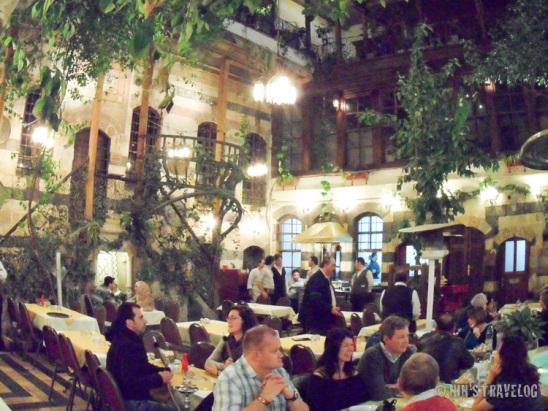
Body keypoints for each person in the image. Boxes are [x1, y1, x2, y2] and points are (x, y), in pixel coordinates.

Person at [212, 324, 309, 411]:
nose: (281, 355)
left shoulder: (279, 371)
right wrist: (265, 398)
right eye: (275, 351)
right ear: (257, 355)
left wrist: (291, 397)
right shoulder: (230, 379)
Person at [106, 302, 175, 411]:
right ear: (130, 323)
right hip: (129, 403)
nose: (145, 321)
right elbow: (132, 383)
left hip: (116, 400)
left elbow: (141, 366)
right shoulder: (130, 346)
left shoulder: (120, 338)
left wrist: (162, 370)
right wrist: (159, 378)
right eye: (141, 318)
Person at [302, 328, 369, 410]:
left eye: (351, 345)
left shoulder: (353, 374)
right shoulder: (319, 378)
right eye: (345, 346)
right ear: (333, 348)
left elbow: (364, 399)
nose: (350, 349)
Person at [471, 335, 544, 411]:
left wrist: (490, 377)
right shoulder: (529, 371)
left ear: (504, 358)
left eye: (498, 351)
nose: (495, 354)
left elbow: (475, 409)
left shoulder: (505, 387)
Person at [357, 315, 415, 400]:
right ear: (386, 339)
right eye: (401, 337)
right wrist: (401, 387)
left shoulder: (407, 352)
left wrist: (390, 387)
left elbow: (415, 386)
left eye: (407, 336)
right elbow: (379, 394)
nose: (406, 341)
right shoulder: (372, 356)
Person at [418, 313, 474, 383]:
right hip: (446, 384)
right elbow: (469, 363)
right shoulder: (457, 342)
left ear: (436, 327)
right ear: (454, 328)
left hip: (422, 380)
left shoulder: (424, 338)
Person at [205, 305, 258, 376]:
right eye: (228, 318)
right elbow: (208, 363)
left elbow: (245, 374)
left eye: (233, 318)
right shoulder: (226, 339)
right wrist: (225, 367)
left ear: (244, 321)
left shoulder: (251, 344)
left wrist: (219, 372)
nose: (229, 321)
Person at [298, 257, 340, 335]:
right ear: (325, 265)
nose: (334, 268)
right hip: (316, 319)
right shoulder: (317, 278)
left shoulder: (324, 277)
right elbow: (315, 300)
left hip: (323, 316)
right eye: (333, 265)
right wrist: (330, 308)